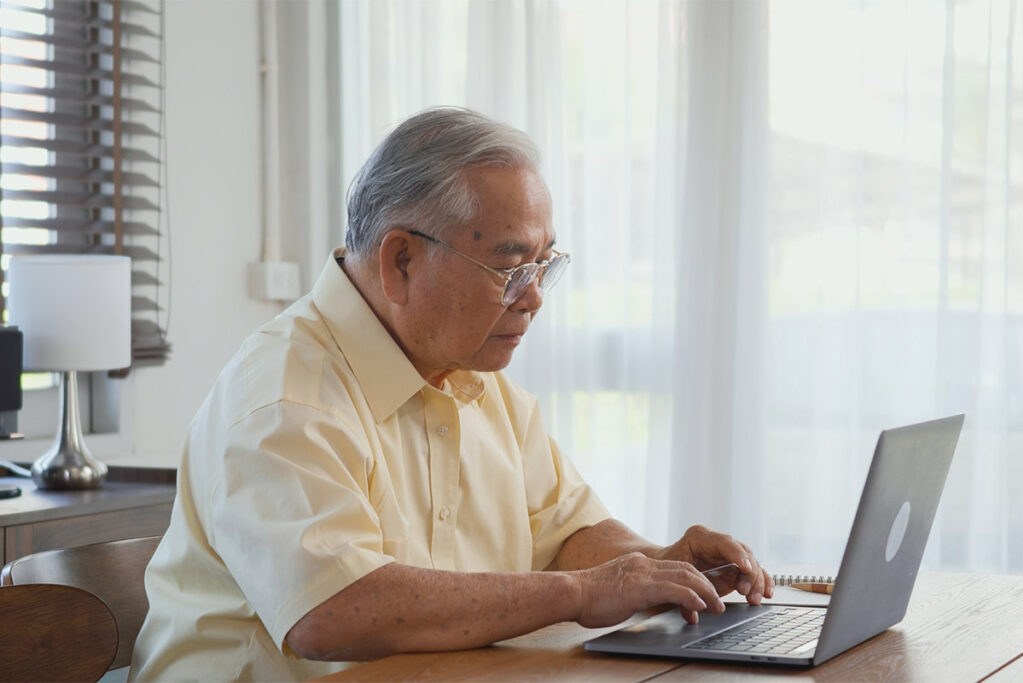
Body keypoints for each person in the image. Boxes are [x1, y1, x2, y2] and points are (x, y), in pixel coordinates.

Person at [129, 107, 773, 681]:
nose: (536, 296)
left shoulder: (481, 382)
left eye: (546, 263)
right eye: (511, 266)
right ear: (401, 260)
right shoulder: (282, 396)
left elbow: (567, 534)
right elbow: (332, 610)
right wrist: (583, 592)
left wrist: (662, 567)